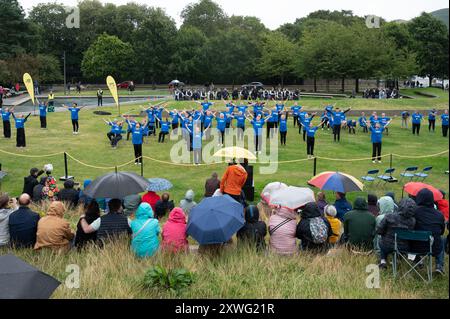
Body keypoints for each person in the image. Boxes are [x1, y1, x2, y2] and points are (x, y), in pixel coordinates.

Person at [411, 188, 446, 275]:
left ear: (419, 198)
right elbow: (441, 232)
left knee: (412, 236)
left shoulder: (413, 211)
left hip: (414, 247)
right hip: (433, 247)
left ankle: (418, 261)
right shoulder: (439, 214)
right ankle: (439, 265)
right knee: (440, 239)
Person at [377, 198, 416, 269]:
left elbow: (379, 230)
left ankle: (383, 261)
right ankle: (398, 260)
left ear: (400, 206)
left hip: (387, 245)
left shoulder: (389, 216)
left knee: (381, 240)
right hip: (404, 247)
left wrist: (384, 234)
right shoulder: (412, 221)